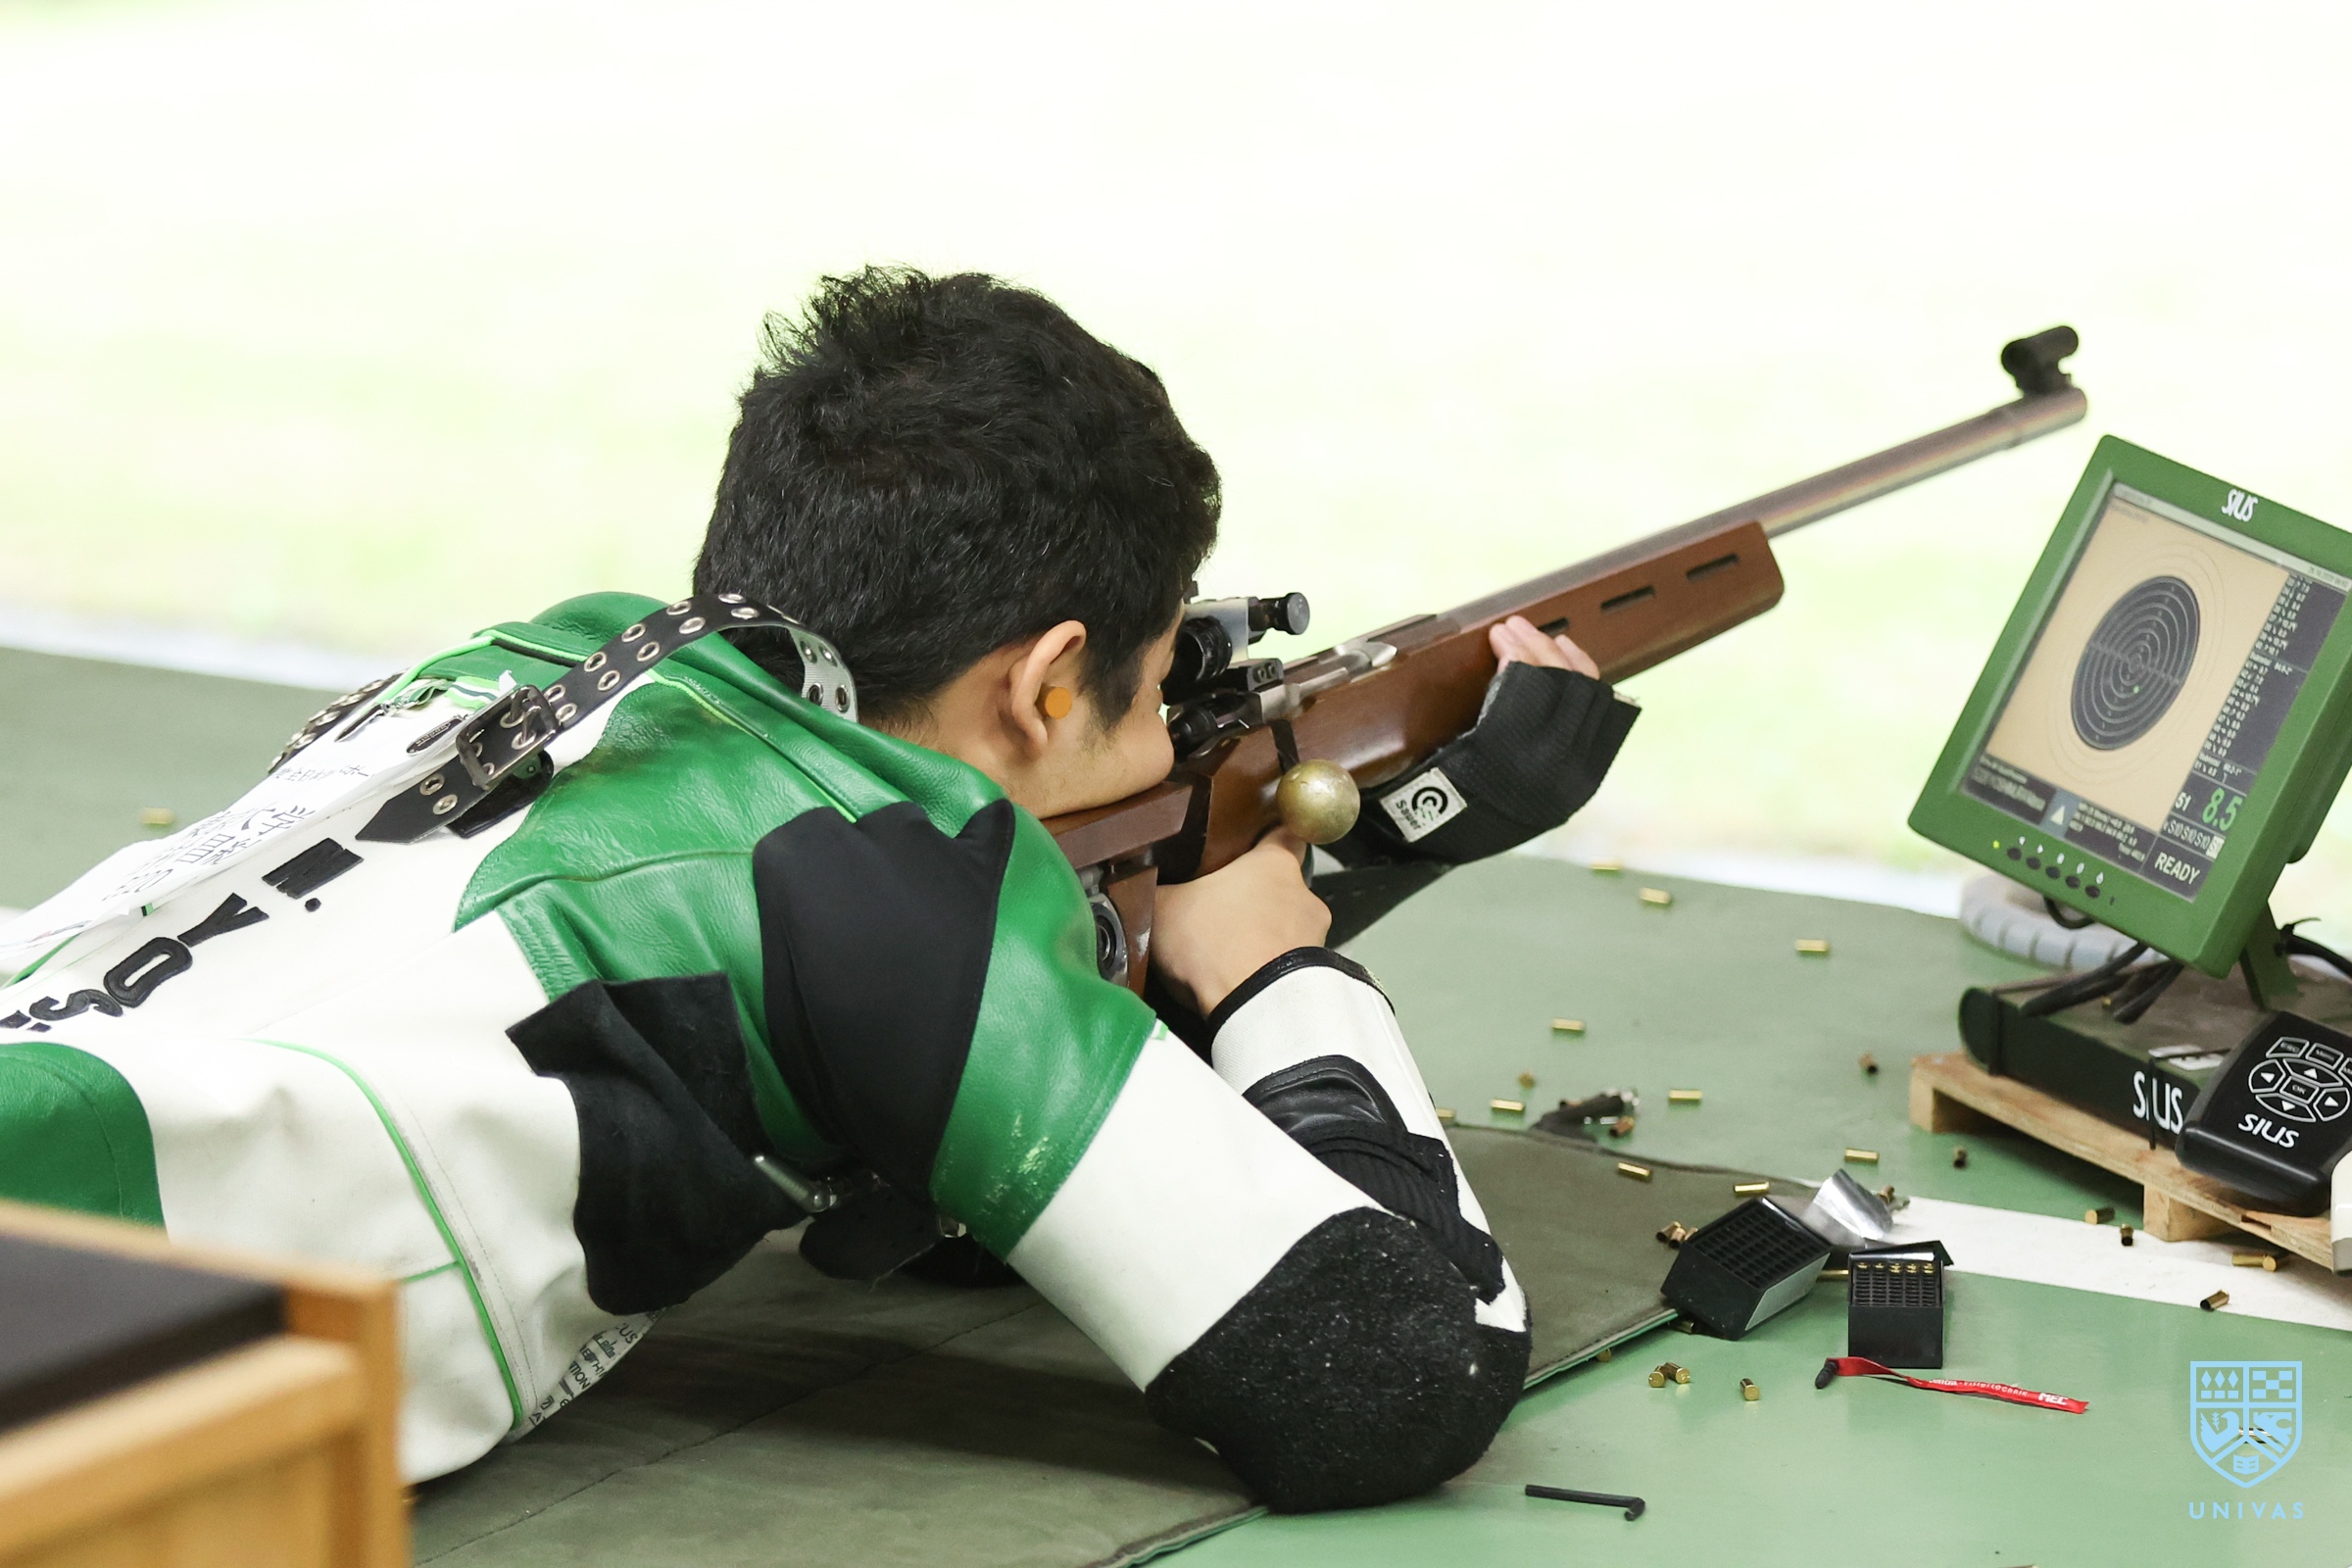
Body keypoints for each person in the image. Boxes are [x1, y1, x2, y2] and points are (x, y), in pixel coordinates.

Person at [0, 268, 1628, 1511]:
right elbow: (1391, 1377)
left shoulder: (532, 662)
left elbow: (949, 1179)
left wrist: (1358, 851)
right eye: (1152, 692)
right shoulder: (876, 894)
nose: (1163, 736)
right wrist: (1279, 968)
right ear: (1046, 685)